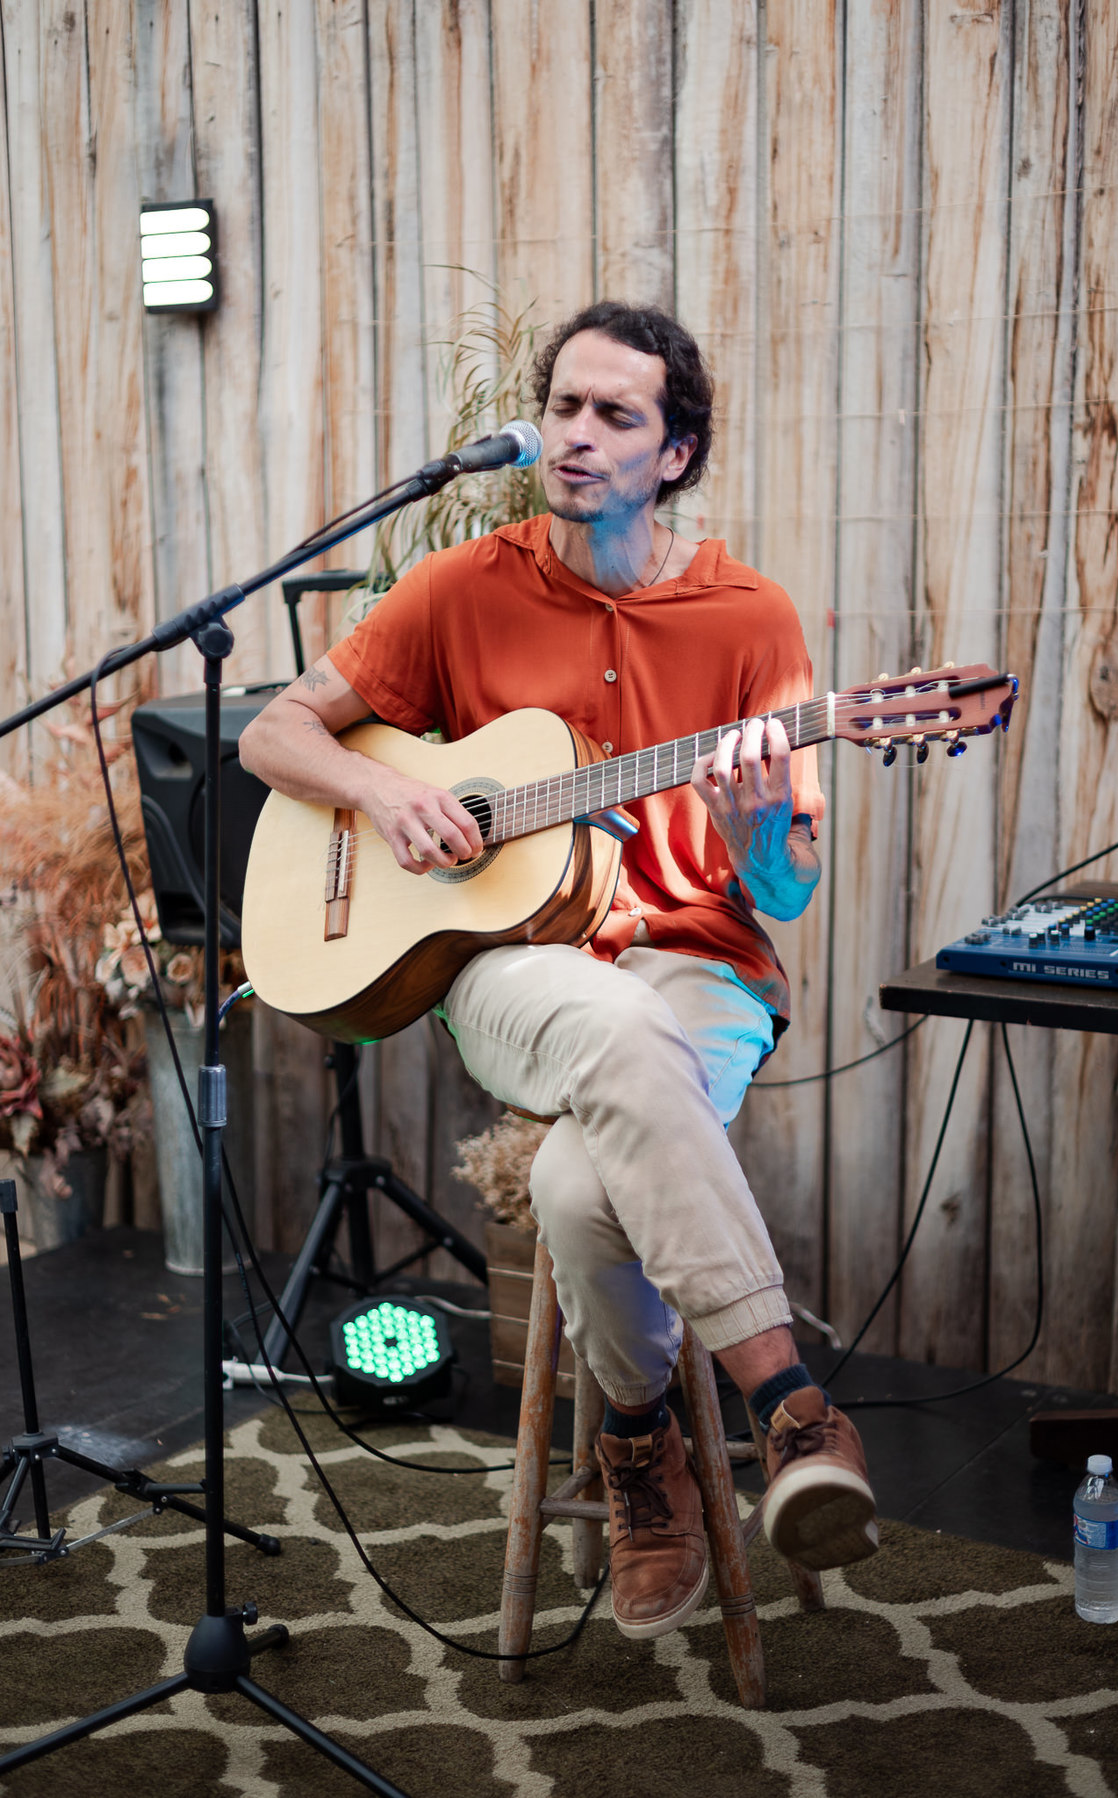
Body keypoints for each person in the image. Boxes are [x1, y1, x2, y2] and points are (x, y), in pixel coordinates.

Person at [239, 301, 877, 1640]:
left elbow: (786, 895)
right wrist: (380, 787)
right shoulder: (464, 584)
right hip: (511, 966)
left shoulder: (750, 618)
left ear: (677, 452)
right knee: (603, 1028)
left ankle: (638, 1447)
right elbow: (275, 735)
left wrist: (762, 825)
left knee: (589, 1183)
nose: (577, 437)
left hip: (697, 968)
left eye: (616, 416)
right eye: (566, 408)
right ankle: (793, 1408)